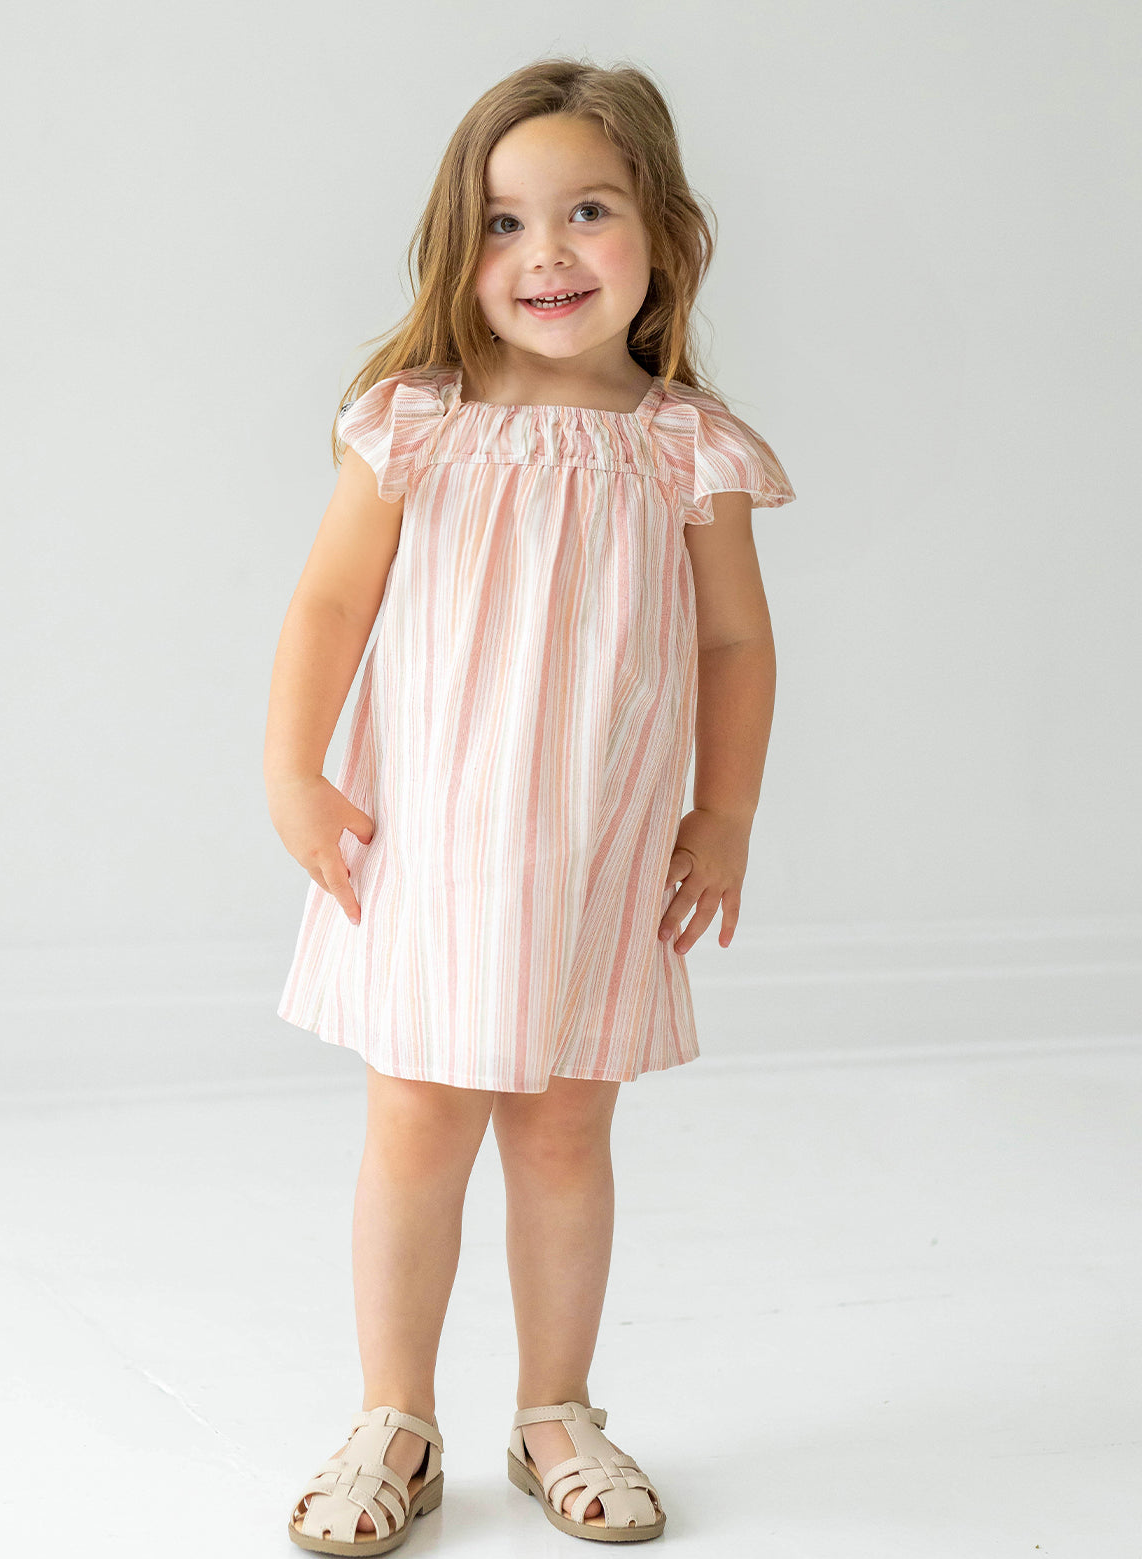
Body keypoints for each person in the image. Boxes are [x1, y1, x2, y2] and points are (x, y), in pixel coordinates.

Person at [265, 55, 796, 1554]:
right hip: (433, 845)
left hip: (597, 849)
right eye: (504, 222)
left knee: (566, 1131)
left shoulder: (683, 444)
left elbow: (736, 643)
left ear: (664, 234)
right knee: (418, 1122)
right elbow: (329, 604)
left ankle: (555, 1407)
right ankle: (396, 1418)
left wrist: (724, 813)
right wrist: (292, 770)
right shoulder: (417, 423)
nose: (546, 252)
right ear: (461, 246)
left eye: (587, 211)